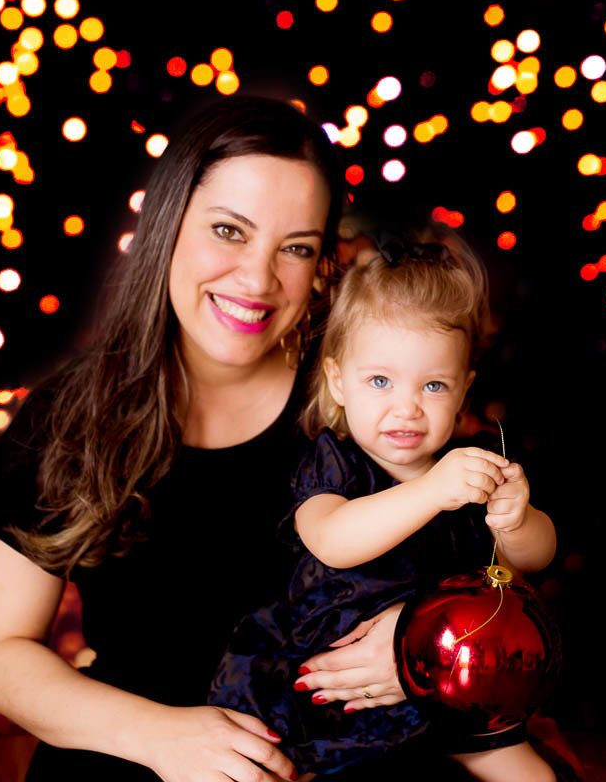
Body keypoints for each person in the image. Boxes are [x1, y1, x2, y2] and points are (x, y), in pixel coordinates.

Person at [0, 96, 440, 782]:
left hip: (354, 757)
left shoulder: (370, 400)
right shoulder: (69, 418)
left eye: (296, 248)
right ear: (169, 228)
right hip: (131, 756)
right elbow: (0, 652)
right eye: (228, 230)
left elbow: (492, 568)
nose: (256, 279)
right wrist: (164, 739)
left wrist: (426, 634)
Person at [209, 227, 560, 781]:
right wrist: (428, 491)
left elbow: (531, 563)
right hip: (338, 687)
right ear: (338, 381)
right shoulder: (335, 464)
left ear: (463, 390)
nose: (407, 408)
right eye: (380, 380)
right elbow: (333, 541)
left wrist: (518, 518)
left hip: (444, 680)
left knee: (529, 772)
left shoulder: (468, 470)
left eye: (433, 387)